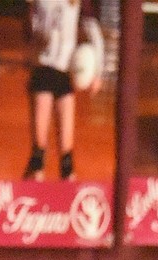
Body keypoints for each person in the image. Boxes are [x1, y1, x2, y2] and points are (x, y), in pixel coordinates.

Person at [22, 0, 104, 182]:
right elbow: (28, 30)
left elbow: (94, 33)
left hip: (66, 73)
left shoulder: (76, 3)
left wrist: (97, 72)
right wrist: (36, 36)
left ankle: (67, 193)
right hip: (43, 69)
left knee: (66, 155)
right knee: (38, 152)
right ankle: (34, 187)